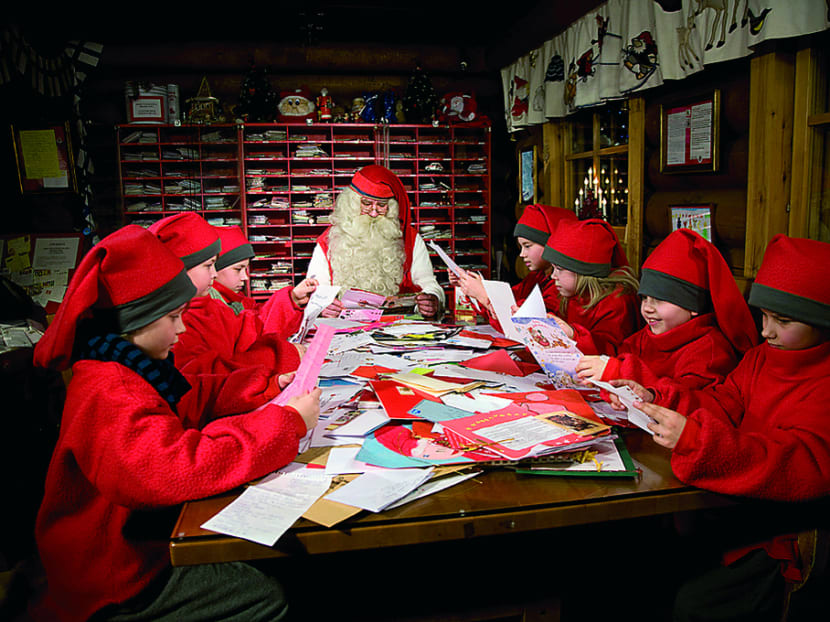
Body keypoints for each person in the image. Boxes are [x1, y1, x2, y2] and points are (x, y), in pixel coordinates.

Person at [31, 225, 321, 622]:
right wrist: (285, 425)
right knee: (263, 594)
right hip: (116, 577)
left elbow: (193, 397)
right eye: (173, 317)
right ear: (137, 322)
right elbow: (174, 467)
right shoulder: (111, 389)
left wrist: (269, 385)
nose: (182, 329)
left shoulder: (128, 365)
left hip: (127, 550)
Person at [617, 234, 830, 621]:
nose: (766, 331)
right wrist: (656, 396)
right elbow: (721, 402)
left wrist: (696, 439)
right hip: (734, 509)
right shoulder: (760, 359)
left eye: (782, 321)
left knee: (694, 602)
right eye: (764, 316)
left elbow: (800, 465)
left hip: (787, 533)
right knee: (640, 562)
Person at [575, 229, 759, 393]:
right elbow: (620, 356)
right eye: (644, 298)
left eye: (660, 300)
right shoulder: (645, 337)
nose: (647, 308)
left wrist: (619, 372)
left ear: (692, 306)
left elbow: (686, 398)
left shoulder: (710, 351)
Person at [148, 213, 303, 377]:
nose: (214, 274)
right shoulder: (177, 325)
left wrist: (291, 300)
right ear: (180, 269)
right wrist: (280, 357)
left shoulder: (211, 307)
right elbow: (211, 379)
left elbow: (249, 330)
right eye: (209, 265)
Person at [306, 164, 445, 319]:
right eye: (366, 203)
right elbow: (315, 288)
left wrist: (433, 299)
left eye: (381, 205)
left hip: (397, 327)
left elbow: (429, 283)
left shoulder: (410, 238)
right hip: (343, 328)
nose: (373, 212)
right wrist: (323, 305)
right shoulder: (329, 239)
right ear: (352, 203)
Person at [450, 203, 577, 327]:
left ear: (550, 245)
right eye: (520, 247)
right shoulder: (536, 277)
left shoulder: (562, 286)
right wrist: (470, 285)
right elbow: (511, 298)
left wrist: (483, 295)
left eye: (527, 246)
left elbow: (523, 322)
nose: (522, 254)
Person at [541, 217, 640, 355]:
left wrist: (574, 335)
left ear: (583, 271)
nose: (553, 276)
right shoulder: (568, 290)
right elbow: (548, 306)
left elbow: (609, 351)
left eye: (559, 269)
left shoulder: (615, 302)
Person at [211, 224, 317, 339]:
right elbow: (258, 331)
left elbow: (258, 315)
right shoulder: (213, 307)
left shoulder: (237, 300)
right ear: (213, 269)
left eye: (245, 269)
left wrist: (293, 298)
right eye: (238, 269)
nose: (245, 277)